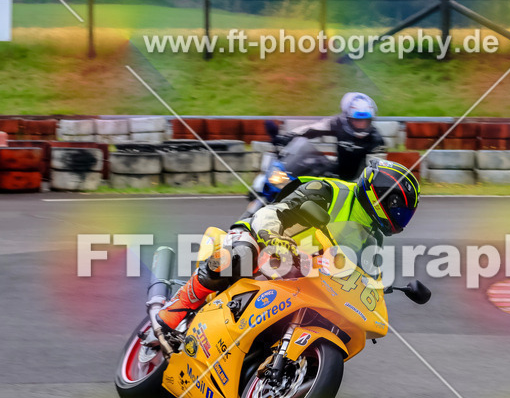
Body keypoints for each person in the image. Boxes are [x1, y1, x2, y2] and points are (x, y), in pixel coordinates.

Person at [156, 159, 420, 333]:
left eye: (406, 214)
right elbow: (275, 211)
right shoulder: (330, 190)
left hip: (303, 275)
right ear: (381, 195)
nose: (400, 219)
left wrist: (375, 292)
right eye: (399, 210)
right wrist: (273, 236)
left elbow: (363, 275)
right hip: (263, 241)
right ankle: (174, 310)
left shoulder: (372, 238)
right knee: (241, 255)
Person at [273, 92, 385, 181]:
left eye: (365, 121)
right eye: (357, 120)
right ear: (348, 118)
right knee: (311, 165)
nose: (361, 125)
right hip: (337, 172)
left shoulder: (376, 139)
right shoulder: (338, 123)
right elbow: (313, 129)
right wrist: (288, 136)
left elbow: (377, 171)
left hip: (358, 182)